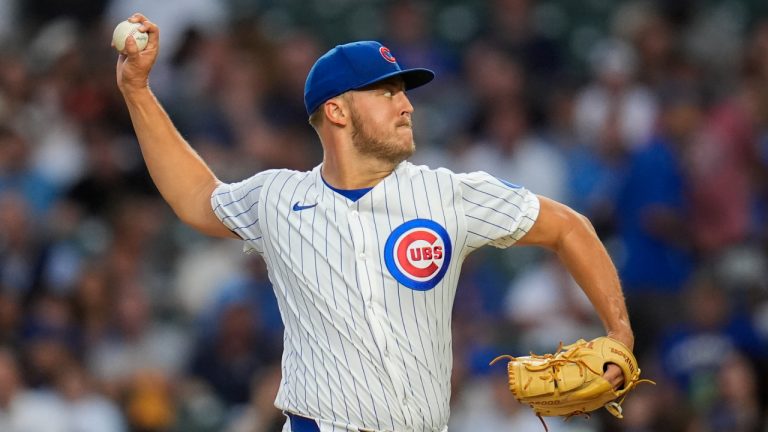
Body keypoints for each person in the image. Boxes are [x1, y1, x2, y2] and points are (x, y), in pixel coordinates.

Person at [115, 13, 635, 432]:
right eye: (387, 93)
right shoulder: (279, 197)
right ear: (337, 112)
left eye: (404, 92)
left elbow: (569, 227)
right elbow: (197, 198)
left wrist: (620, 334)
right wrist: (138, 91)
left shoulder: (447, 193)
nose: (406, 105)